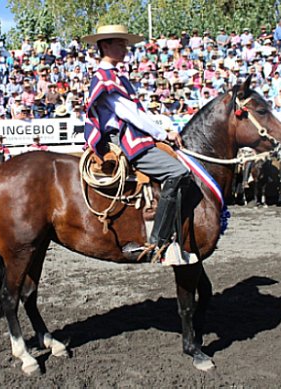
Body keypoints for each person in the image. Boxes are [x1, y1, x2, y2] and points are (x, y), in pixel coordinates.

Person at [81, 25, 190, 262]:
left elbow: (136, 111)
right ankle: (157, 241)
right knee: (178, 172)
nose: (124, 48)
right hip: (122, 137)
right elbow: (129, 113)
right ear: (105, 46)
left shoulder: (116, 76)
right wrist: (162, 134)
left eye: (125, 44)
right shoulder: (105, 77)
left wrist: (162, 128)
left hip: (128, 132)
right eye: (119, 44)